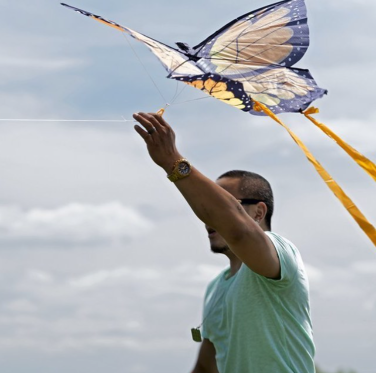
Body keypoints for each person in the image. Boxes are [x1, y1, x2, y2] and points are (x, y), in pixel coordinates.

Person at [133, 112, 315, 373]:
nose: (207, 213)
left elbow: (239, 232)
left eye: (226, 203)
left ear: (258, 212)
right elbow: (206, 367)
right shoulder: (216, 287)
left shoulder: (281, 252)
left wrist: (173, 162)